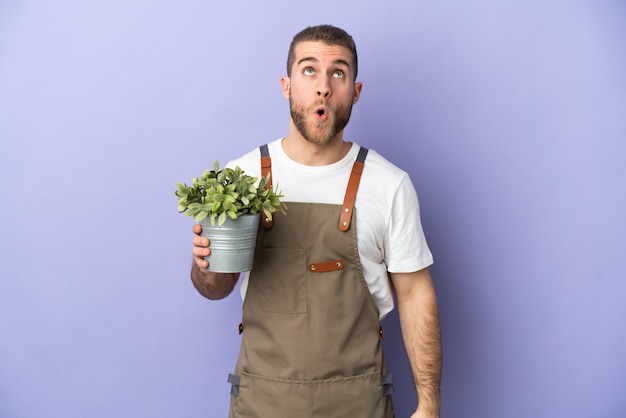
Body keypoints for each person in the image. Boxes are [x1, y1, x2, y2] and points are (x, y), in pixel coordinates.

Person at [190, 24, 442, 418]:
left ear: (355, 92)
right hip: (262, 403)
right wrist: (205, 262)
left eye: (337, 72)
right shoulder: (240, 180)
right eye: (309, 70)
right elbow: (214, 288)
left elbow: (415, 295)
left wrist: (429, 406)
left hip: (360, 405)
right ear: (286, 85)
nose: (323, 86)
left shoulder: (390, 185)